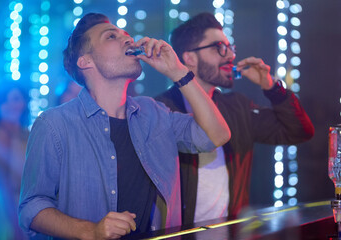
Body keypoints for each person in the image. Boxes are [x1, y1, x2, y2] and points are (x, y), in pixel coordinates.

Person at [18, 12, 231, 239]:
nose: (129, 40)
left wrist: (178, 72)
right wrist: (91, 231)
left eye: (127, 35)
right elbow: (31, 207)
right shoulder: (54, 124)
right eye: (111, 37)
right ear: (85, 61)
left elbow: (216, 136)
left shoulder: (154, 113)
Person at [155, 12, 315, 224]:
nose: (230, 56)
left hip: (231, 232)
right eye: (219, 47)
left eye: (231, 48)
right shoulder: (160, 109)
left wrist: (272, 87)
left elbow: (299, 131)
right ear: (189, 58)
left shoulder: (237, 106)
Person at [0, 81, 30, 240]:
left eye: (16, 99)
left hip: (29, 204)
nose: (12, 105)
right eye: (6, 100)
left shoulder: (27, 133)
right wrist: (16, 224)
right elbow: (3, 184)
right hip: (9, 205)